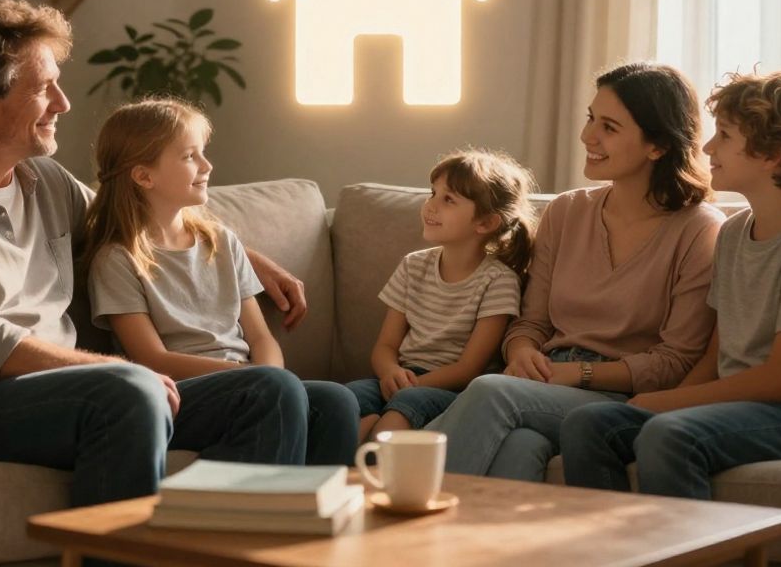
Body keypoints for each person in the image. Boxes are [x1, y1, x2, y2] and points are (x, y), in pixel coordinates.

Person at [0, 0, 322, 509]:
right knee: (129, 392)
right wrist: (115, 371)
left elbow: (134, 221)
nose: (63, 102)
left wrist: (247, 256)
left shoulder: (45, 180)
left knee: (278, 395)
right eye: (43, 87)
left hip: (71, 392)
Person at [559, 70, 781, 499]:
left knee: (671, 434)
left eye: (724, 136)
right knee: (589, 423)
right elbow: (717, 355)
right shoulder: (734, 232)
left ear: (771, 154)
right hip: (741, 404)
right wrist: (668, 398)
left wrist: (668, 405)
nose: (707, 147)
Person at [430, 62, 724, 481]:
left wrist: (578, 373)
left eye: (609, 126)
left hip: (617, 396)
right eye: (590, 119)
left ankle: (402, 520)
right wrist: (522, 353)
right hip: (544, 381)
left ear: (656, 145)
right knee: (522, 446)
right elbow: (530, 322)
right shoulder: (566, 211)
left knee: (492, 391)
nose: (588, 136)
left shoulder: (700, 230)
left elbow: (675, 361)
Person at [82, 97, 359, 464]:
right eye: (189, 157)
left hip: (250, 383)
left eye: (203, 153)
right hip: (180, 395)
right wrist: (253, 377)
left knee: (338, 401)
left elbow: (260, 336)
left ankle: (309, 512)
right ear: (144, 176)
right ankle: (249, 507)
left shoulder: (221, 243)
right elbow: (150, 357)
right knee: (272, 388)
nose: (207, 165)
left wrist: (271, 375)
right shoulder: (118, 260)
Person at [344, 149, 536, 441]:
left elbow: (469, 369)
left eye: (448, 200)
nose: (430, 205)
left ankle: (372, 467)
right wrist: (390, 372)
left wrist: (411, 385)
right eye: (432, 193)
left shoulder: (498, 281)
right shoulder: (413, 265)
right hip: (402, 376)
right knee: (342, 400)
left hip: (452, 389)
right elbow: (385, 344)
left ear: (485, 223)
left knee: (395, 418)